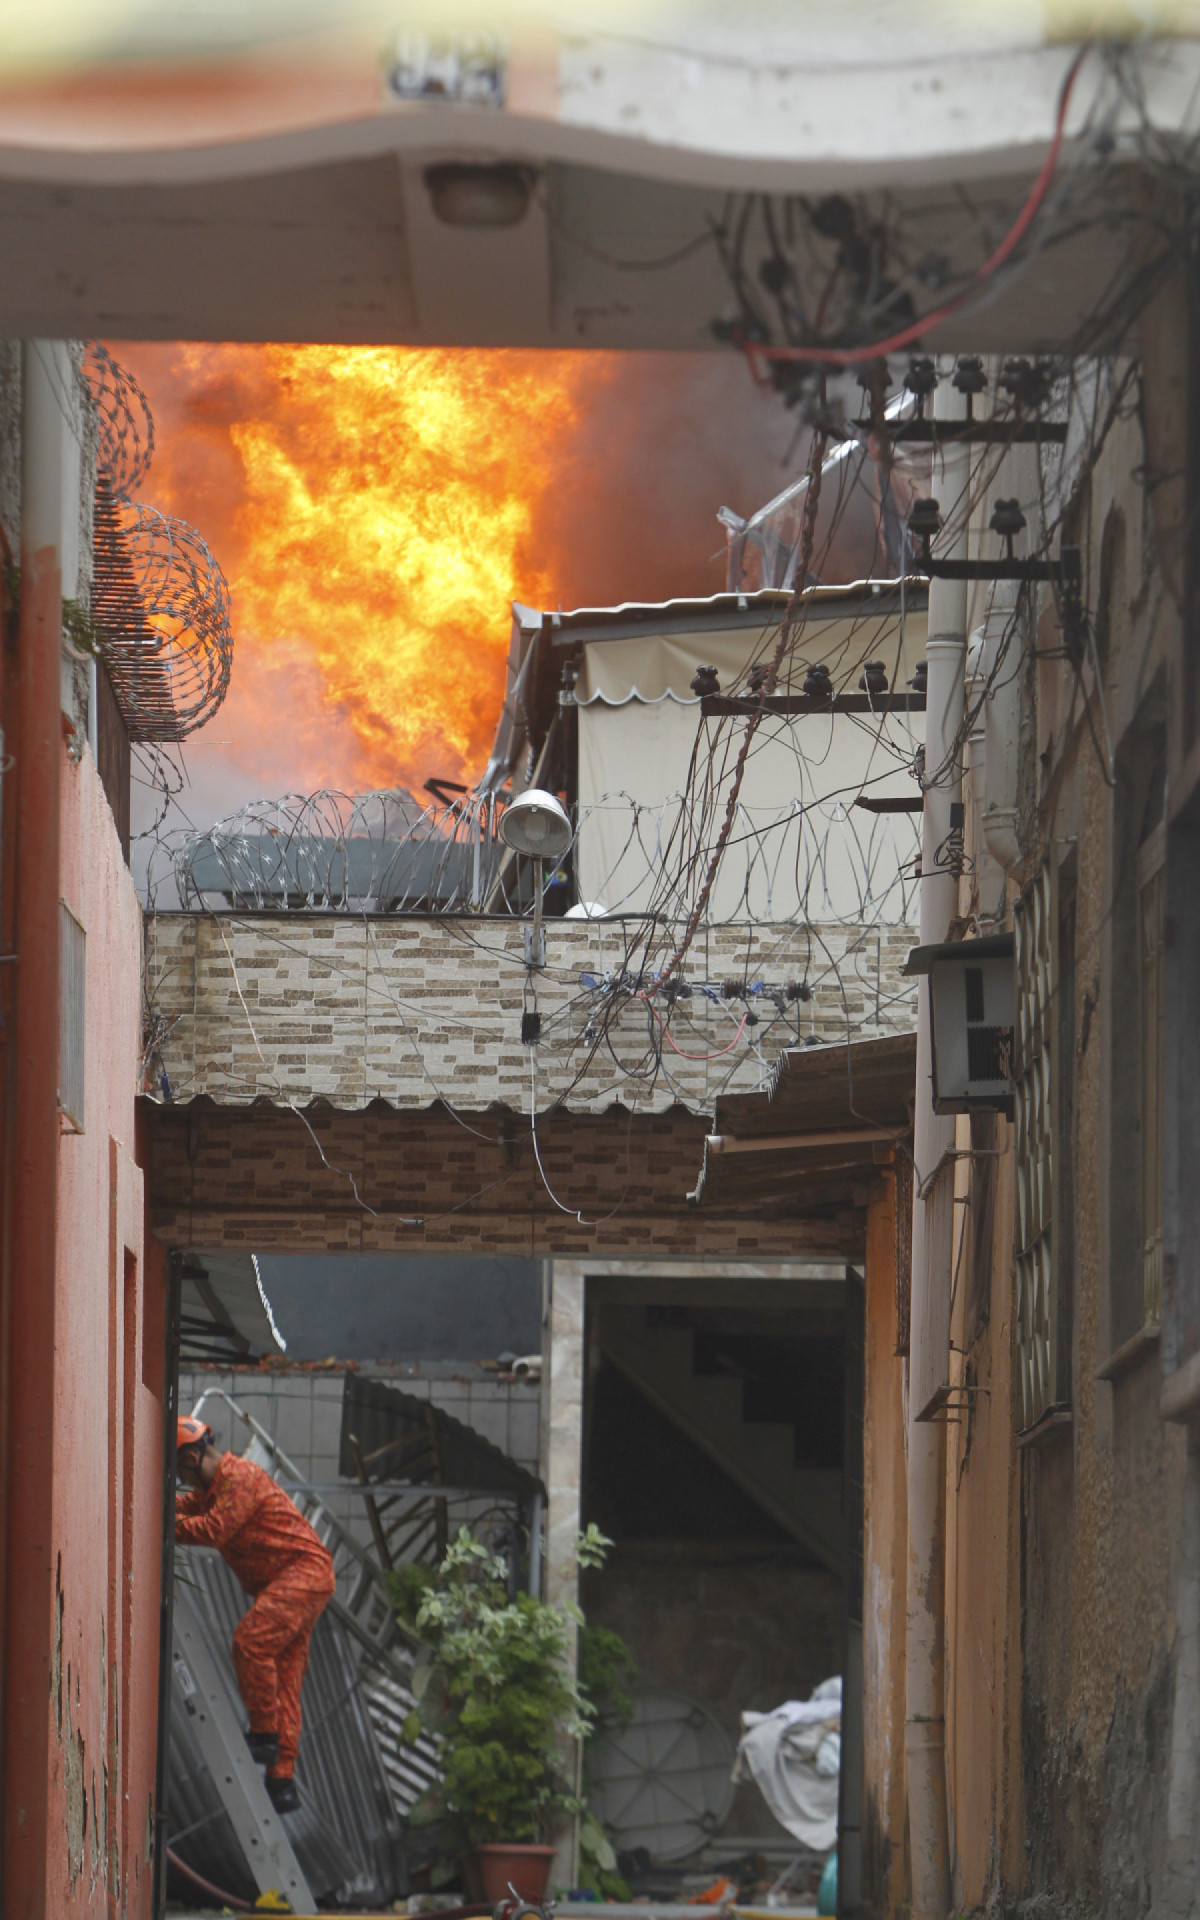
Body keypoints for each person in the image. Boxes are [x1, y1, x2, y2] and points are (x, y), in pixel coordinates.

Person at [174, 1414, 337, 1813]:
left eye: (178, 1470)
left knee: (251, 1643)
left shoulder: (240, 1479)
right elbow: (182, 1506)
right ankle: (281, 1782)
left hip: (303, 1573)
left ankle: (264, 1735)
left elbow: (213, 1530)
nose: (182, 1481)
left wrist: (164, 1524)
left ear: (192, 1459)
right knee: (286, 1678)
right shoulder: (213, 1489)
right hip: (294, 1579)